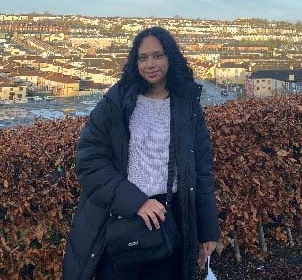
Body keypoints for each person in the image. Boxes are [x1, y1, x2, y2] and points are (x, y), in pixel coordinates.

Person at [62, 27, 219, 280]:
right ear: (135, 63)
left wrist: (208, 231)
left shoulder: (186, 105)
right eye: (143, 57)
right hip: (122, 218)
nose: (150, 64)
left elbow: (201, 170)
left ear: (170, 58)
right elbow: (89, 160)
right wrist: (136, 201)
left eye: (157, 55)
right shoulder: (116, 102)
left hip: (171, 220)